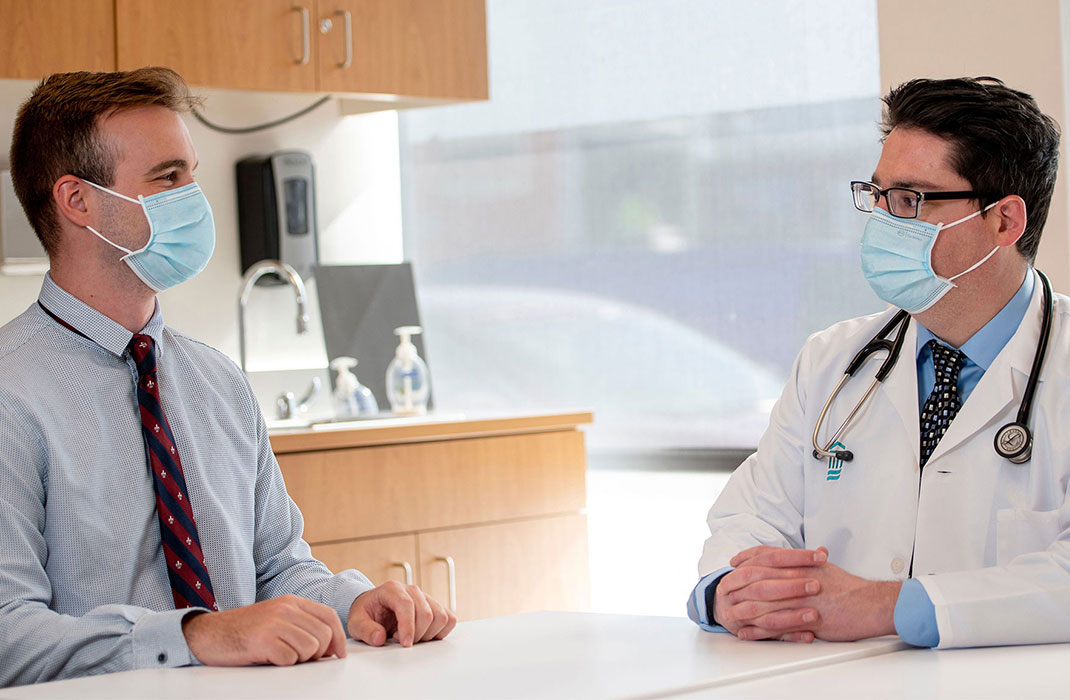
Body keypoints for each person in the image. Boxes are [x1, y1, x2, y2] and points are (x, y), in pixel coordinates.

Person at [0, 68, 455, 688]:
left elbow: (277, 567)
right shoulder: (11, 390)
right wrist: (194, 635)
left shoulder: (218, 380)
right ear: (78, 201)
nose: (194, 194)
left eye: (191, 171)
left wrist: (351, 603)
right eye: (168, 177)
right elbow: (8, 630)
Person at [687, 76, 1070, 648]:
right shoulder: (831, 360)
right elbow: (750, 518)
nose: (883, 221)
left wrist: (887, 607)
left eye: (910, 199)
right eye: (878, 194)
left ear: (1004, 222)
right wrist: (729, 590)